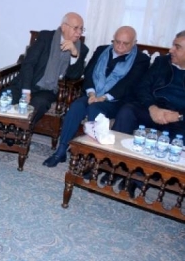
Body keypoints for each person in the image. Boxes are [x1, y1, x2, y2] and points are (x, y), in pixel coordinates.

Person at [43, 26, 150, 167]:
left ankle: (91, 158)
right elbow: (88, 72)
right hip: (93, 95)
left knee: (95, 109)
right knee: (76, 106)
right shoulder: (101, 50)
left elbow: (129, 84)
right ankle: (61, 150)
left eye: (125, 43)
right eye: (117, 41)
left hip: (117, 101)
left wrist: (104, 97)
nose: (120, 46)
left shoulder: (141, 59)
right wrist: (92, 93)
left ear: (134, 43)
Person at [8, 12, 89, 127]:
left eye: (81, 29)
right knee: (8, 98)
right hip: (30, 82)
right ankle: (8, 127)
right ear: (64, 27)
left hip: (50, 90)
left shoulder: (82, 49)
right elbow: (29, 63)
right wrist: (26, 91)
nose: (79, 32)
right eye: (76, 28)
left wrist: (74, 55)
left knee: (39, 104)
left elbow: (74, 77)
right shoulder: (46, 37)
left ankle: (21, 130)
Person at [112, 30, 185, 138]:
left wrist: (179, 116)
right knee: (128, 111)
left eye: (177, 47)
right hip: (153, 110)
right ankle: (114, 147)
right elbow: (142, 87)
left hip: (178, 118)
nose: (171, 50)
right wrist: (152, 108)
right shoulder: (162, 62)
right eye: (173, 45)